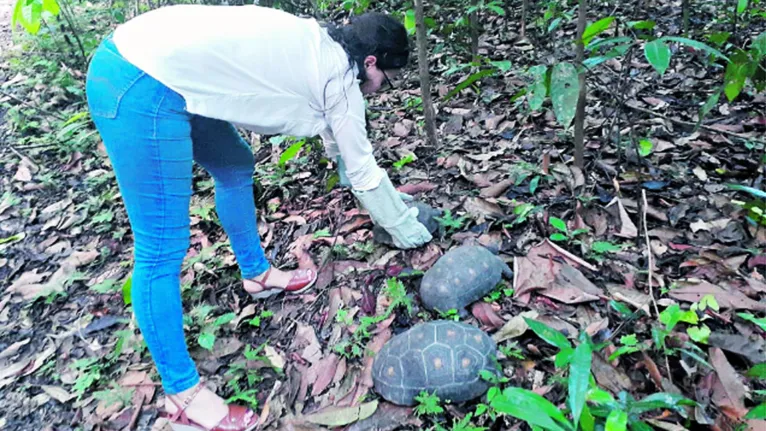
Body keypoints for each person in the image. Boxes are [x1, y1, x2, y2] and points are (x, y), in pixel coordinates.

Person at [85, 4, 433, 431]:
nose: (383, 90)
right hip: (137, 81)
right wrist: (409, 230)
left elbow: (339, 138)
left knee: (234, 165)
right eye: (387, 80)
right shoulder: (339, 78)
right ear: (371, 61)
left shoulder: (325, 46)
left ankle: (257, 274)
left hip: (159, 62)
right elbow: (361, 169)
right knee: (161, 246)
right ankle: (183, 393)